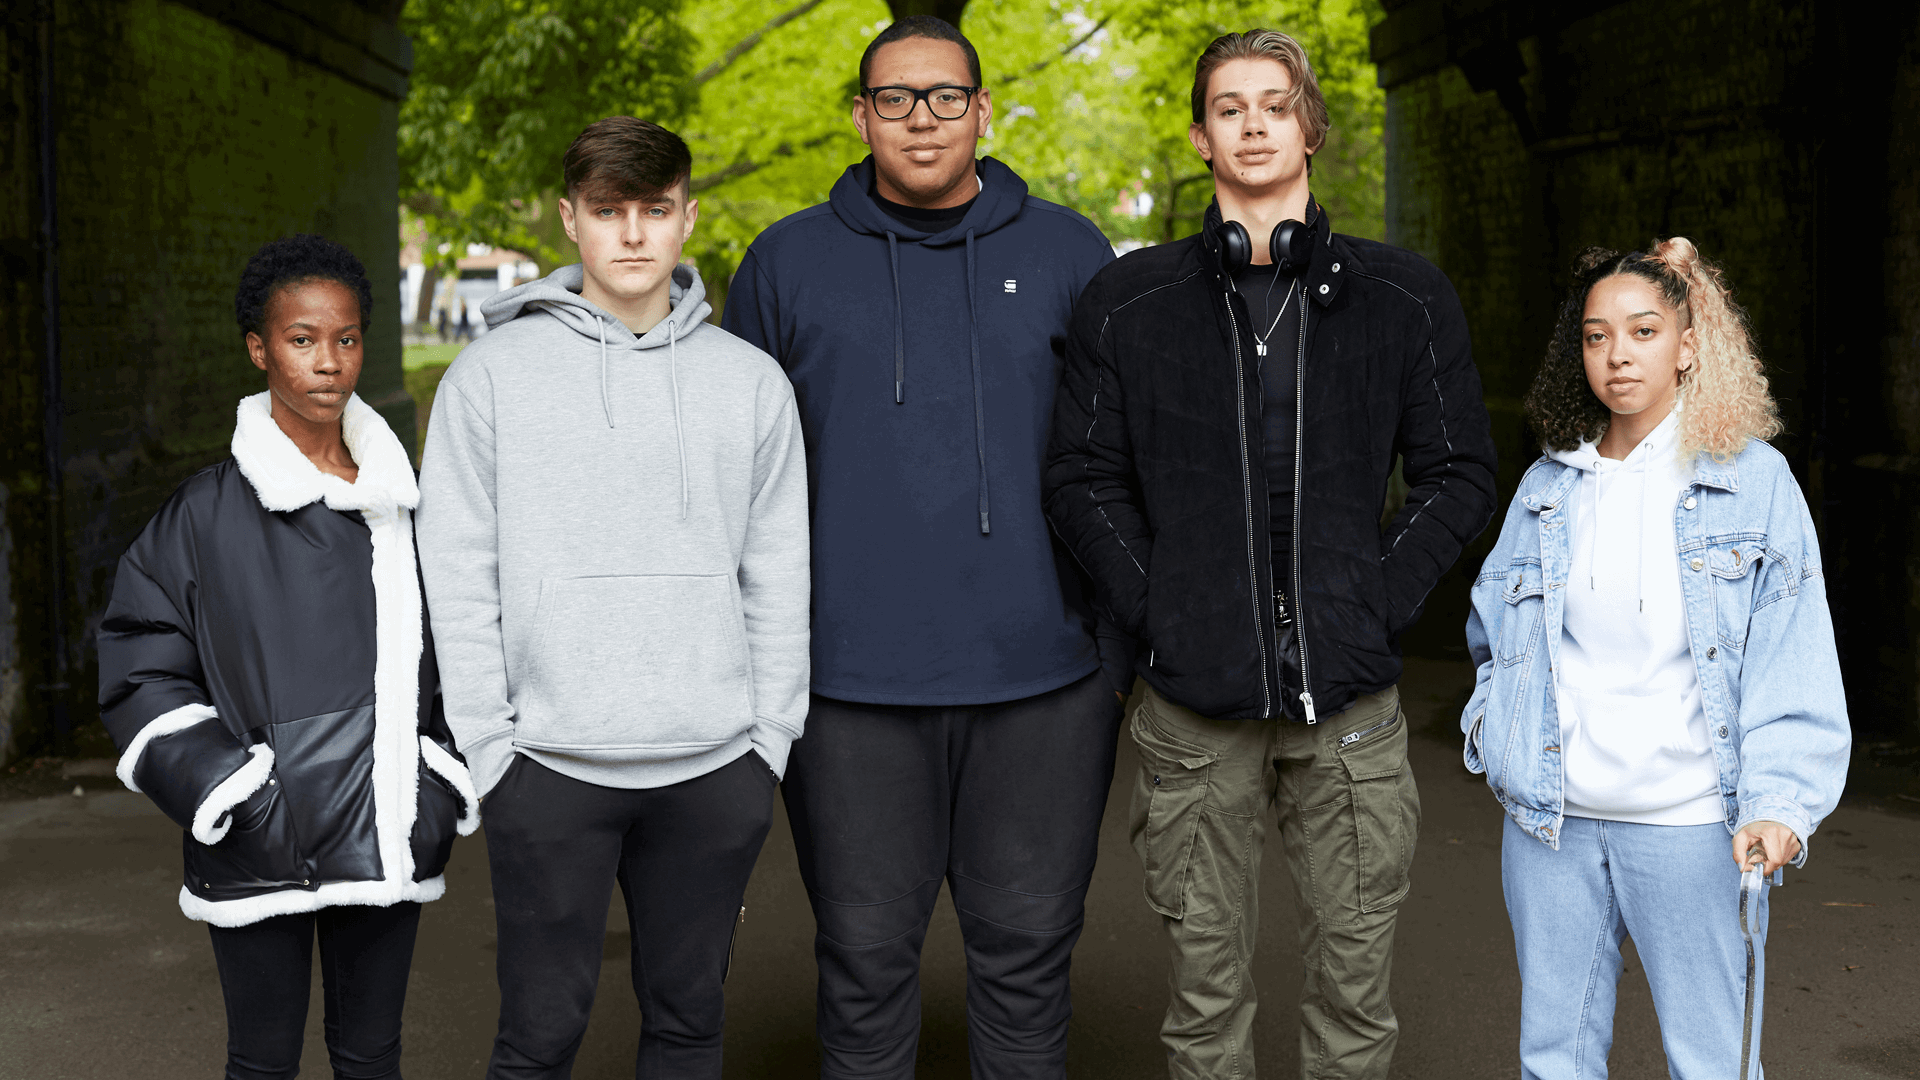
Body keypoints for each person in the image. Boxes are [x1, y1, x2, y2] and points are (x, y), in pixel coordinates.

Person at [1043, 28, 1499, 1080]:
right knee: (1204, 1006)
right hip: (1193, 712)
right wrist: (1165, 607)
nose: (1252, 123)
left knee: (1355, 998)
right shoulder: (1132, 302)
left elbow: (1459, 473)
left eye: (1274, 103)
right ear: (1201, 136)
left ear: (1311, 127)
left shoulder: (1404, 295)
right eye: (1230, 107)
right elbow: (1080, 477)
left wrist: (1374, 599)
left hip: (1349, 710)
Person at [720, 15, 1128, 1079]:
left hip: (1045, 685)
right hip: (847, 690)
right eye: (895, 97)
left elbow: (1129, 461)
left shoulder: (1071, 253)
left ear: (984, 111)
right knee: (861, 963)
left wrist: (1117, 651)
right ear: (861, 116)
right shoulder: (786, 264)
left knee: (1029, 962)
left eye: (946, 95)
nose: (922, 117)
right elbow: (734, 479)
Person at [415, 116, 809, 1079]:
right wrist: (489, 745)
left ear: (687, 220)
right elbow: (457, 572)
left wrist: (769, 739)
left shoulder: (750, 385)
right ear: (570, 222)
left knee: (687, 1027)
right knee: (540, 1035)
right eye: (608, 212)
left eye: (654, 210)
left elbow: (779, 569)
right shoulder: (490, 379)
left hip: (715, 765)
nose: (633, 234)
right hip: (547, 766)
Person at [1462, 239, 1850, 1079]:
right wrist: (1498, 733)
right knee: (1552, 1062)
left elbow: (1793, 650)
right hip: (1551, 828)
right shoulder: (1547, 487)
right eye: (1597, 337)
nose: (1618, 355)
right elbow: (1494, 637)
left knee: (1709, 1063)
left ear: (1688, 346)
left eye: (1643, 331)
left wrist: (1782, 800)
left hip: (1690, 827)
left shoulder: (1753, 484)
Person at [96, 233, 476, 1080]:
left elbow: (465, 646)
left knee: (371, 1056)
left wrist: (438, 778)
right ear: (259, 348)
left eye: (346, 339)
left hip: (388, 829)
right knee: (263, 1063)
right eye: (302, 340)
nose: (327, 362)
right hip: (258, 837)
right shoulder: (202, 515)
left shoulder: (405, 506)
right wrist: (232, 789)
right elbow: (137, 661)